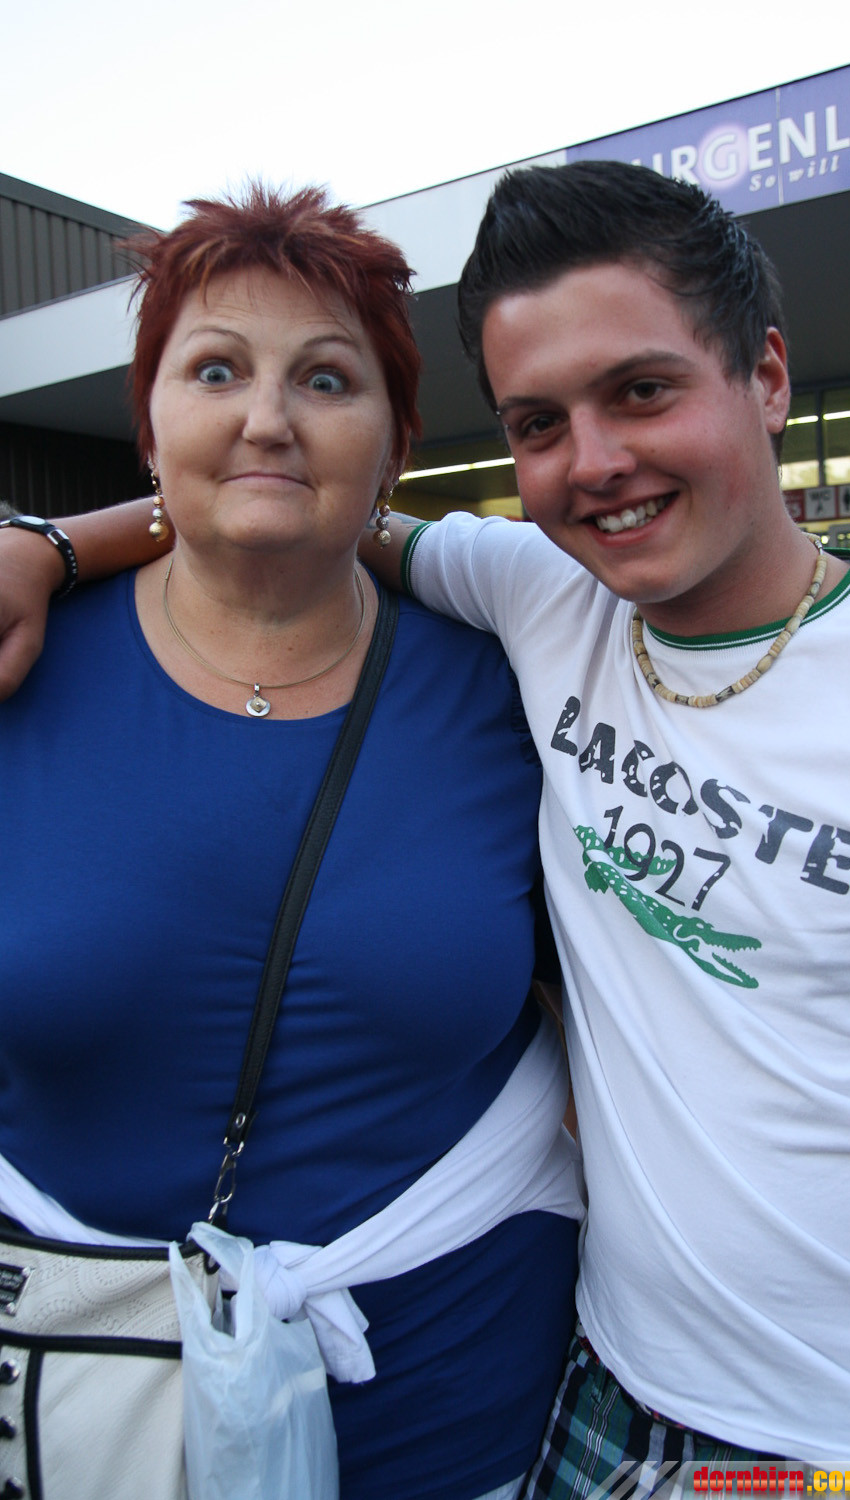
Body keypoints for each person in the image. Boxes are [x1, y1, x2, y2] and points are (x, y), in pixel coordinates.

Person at [2, 161, 850, 1488]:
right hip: (603, 1399)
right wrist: (50, 543)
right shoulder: (543, 596)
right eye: (539, 422)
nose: (597, 462)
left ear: (766, 378)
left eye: (642, 391)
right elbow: (281, 505)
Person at [0, 184, 582, 1500]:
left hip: (451, 1386)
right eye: (216, 371)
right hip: (80, 1385)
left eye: (327, 378)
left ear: (395, 445)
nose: (267, 418)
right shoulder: (18, 658)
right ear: (150, 423)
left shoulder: (520, 679)